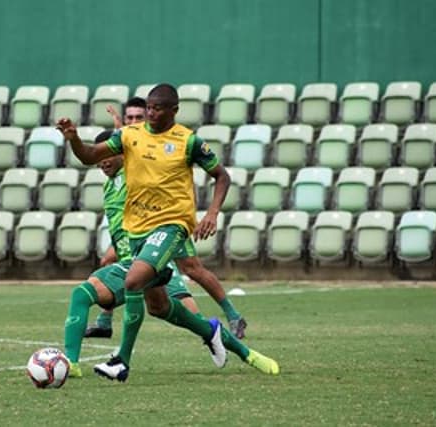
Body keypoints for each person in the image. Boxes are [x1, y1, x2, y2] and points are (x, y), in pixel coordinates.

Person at [57, 83, 279, 382]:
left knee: (143, 278)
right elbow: (88, 155)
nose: (150, 112)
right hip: (137, 237)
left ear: (174, 110)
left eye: (157, 108)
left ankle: (121, 360)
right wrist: (73, 139)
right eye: (148, 107)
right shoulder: (129, 136)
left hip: (171, 227)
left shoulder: (188, 141)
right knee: (156, 307)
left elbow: (221, 176)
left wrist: (211, 213)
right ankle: (234, 345)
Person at [85, 97, 248, 339]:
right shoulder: (128, 146)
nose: (135, 121)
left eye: (138, 117)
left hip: (167, 220)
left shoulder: (174, 142)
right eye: (130, 118)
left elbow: (184, 178)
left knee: (190, 270)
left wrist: (200, 213)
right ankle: (105, 321)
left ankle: (226, 320)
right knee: (110, 261)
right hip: (140, 223)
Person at [64, 129, 201, 378]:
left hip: (150, 256)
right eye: (100, 158)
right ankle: (74, 362)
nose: (103, 161)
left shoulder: (133, 173)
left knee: (192, 315)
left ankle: (222, 339)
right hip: (129, 260)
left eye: (108, 155)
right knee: (83, 293)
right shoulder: (108, 184)